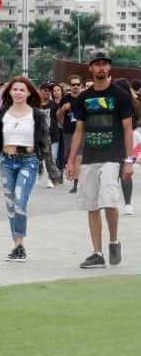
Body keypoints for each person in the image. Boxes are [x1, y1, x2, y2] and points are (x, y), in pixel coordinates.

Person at [0, 77, 60, 261]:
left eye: (22, 90)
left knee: (20, 201)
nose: (18, 93)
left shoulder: (37, 115)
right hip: (7, 162)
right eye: (15, 89)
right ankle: (17, 245)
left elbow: (45, 143)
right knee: (11, 204)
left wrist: (52, 171)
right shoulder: (1, 113)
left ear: (29, 92)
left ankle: (20, 245)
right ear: (9, 92)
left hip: (28, 161)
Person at [66, 53, 134, 269]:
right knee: (92, 204)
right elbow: (79, 131)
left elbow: (127, 128)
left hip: (113, 156)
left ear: (109, 68)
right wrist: (71, 160)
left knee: (108, 200)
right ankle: (97, 253)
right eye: (97, 65)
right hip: (90, 157)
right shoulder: (83, 98)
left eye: (104, 64)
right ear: (91, 69)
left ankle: (114, 241)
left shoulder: (120, 95)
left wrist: (129, 159)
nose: (101, 68)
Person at [113, 78, 140, 216]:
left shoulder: (119, 104)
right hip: (128, 141)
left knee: (120, 171)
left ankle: (122, 202)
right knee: (124, 172)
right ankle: (128, 204)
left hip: (120, 140)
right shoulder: (134, 104)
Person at [58, 75, 84, 194]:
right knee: (71, 158)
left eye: (78, 84)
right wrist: (63, 109)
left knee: (79, 157)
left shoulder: (84, 98)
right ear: (70, 86)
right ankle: (75, 180)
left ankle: (77, 183)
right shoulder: (65, 99)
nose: (76, 87)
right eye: (73, 85)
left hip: (82, 131)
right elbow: (58, 116)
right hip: (68, 132)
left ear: (81, 85)